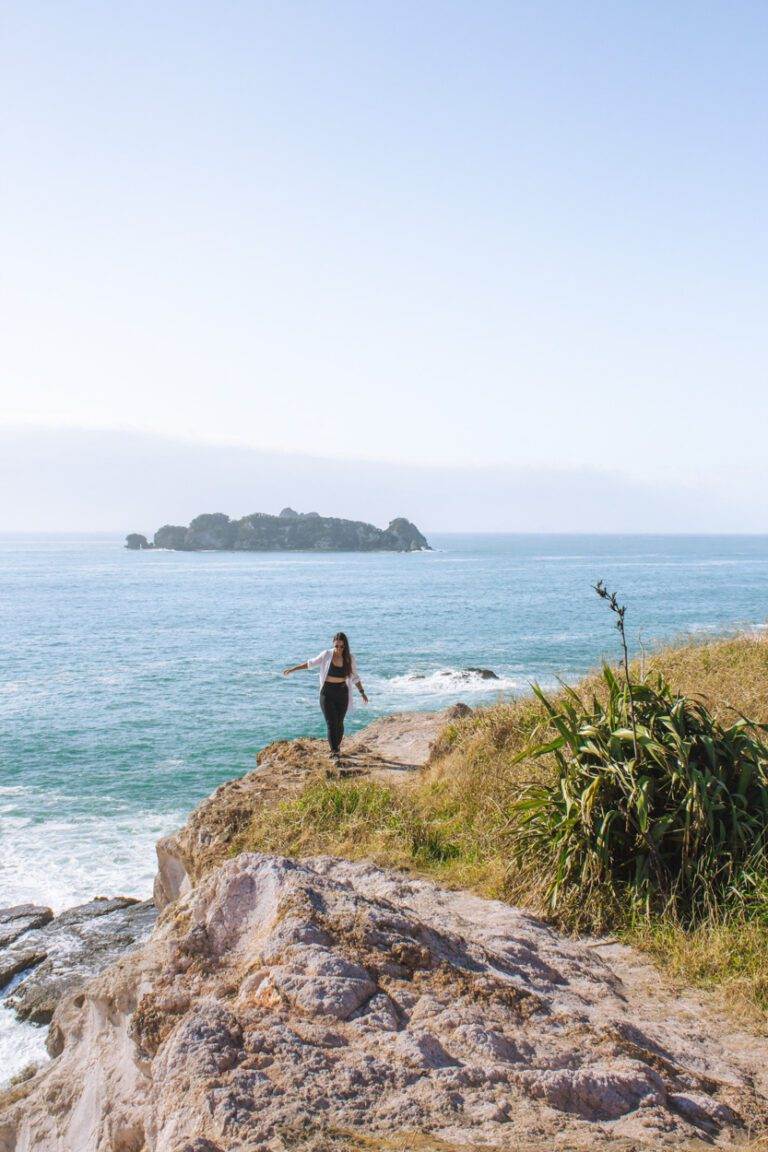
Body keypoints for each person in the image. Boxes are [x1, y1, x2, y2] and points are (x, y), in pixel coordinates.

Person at [283, 632, 368, 762]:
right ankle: (334, 751)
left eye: (342, 646)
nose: (339, 649)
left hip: (342, 693)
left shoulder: (349, 658)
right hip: (327, 693)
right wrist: (293, 669)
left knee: (339, 723)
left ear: (345, 646)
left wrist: (362, 692)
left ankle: (337, 748)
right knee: (331, 722)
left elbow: (355, 676)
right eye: (337, 646)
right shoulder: (326, 655)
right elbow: (310, 663)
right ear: (333, 643)